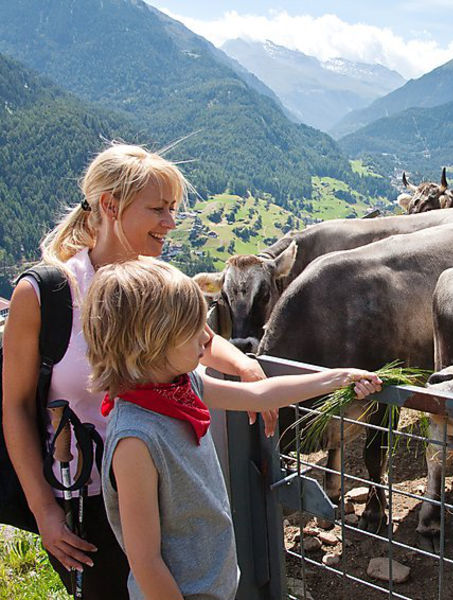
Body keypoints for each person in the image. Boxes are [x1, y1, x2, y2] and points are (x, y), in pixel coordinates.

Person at [1, 143, 271, 598]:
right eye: (158, 209)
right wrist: (44, 510)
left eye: (173, 210)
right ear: (110, 206)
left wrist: (244, 364)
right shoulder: (45, 294)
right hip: (87, 506)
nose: (170, 223)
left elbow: (195, 337)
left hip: (167, 496)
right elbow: (13, 406)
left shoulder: (154, 279)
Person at [83, 258, 381, 599]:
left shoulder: (182, 388)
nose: (208, 336)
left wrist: (338, 377)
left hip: (216, 586)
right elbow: (146, 562)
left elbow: (257, 395)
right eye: (193, 327)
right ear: (150, 342)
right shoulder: (135, 441)